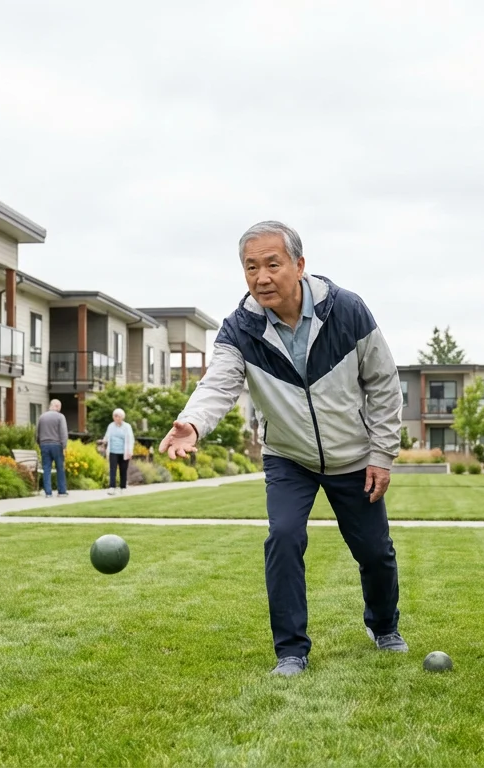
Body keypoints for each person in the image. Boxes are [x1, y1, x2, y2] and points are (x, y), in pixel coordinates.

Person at [159, 220, 406, 677]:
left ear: (299, 264)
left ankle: (384, 626)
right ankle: (291, 651)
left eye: (272, 264)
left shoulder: (348, 311)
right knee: (284, 537)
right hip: (288, 457)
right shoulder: (240, 329)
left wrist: (381, 455)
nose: (261, 277)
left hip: (353, 455)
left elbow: (384, 385)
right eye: (251, 267)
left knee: (374, 550)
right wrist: (192, 423)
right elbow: (219, 383)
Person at [35, 399, 69, 498]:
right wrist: (64, 446)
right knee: (60, 468)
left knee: (46, 468)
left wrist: (39, 443)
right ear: (57, 406)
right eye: (59, 407)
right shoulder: (60, 417)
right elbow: (63, 433)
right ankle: (61, 491)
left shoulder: (42, 417)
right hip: (56, 445)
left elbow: (37, 432)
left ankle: (48, 493)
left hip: (44, 445)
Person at [103, 408, 135, 496]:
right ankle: (112, 487)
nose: (117, 418)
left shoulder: (127, 426)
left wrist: (130, 451)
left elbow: (131, 439)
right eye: (115, 416)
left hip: (124, 452)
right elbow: (107, 436)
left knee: (123, 470)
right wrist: (103, 441)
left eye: (119, 416)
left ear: (122, 417)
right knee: (112, 470)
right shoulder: (111, 426)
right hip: (113, 451)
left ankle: (123, 487)